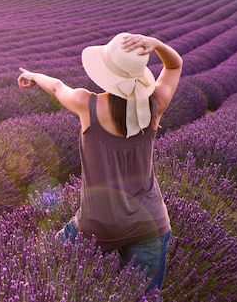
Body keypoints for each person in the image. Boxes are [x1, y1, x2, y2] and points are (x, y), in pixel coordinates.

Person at [18, 33, 182, 295]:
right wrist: (158, 44)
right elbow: (174, 66)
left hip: (96, 226)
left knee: (42, 274)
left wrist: (33, 75)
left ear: (106, 74)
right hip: (150, 224)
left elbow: (58, 86)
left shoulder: (87, 104)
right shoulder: (155, 104)